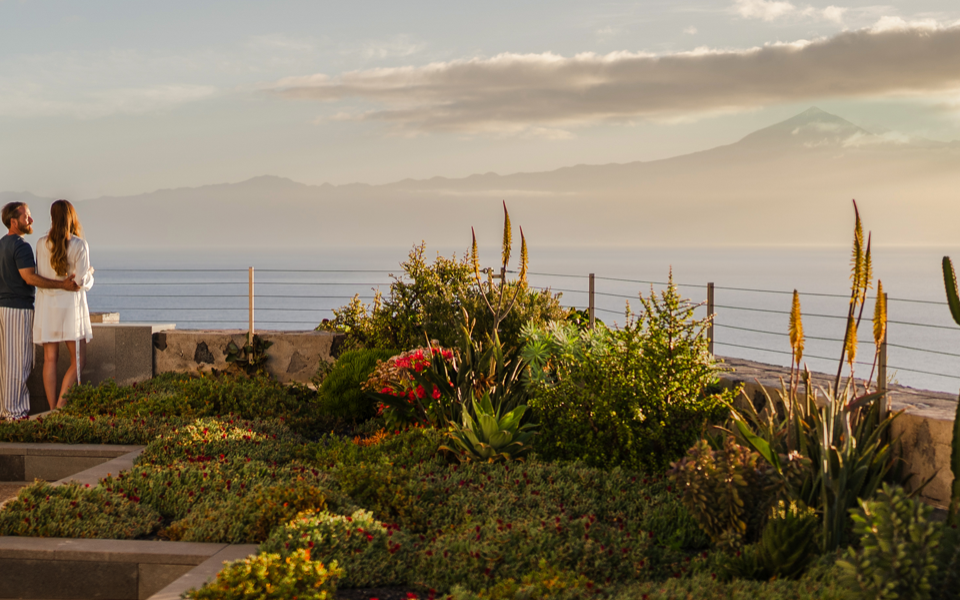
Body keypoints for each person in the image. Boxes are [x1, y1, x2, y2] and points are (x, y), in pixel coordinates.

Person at [0, 202, 80, 420]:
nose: (31, 220)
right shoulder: (21, 246)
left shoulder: (2, 244)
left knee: (6, 363)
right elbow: (30, 278)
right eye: (26, 217)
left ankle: (6, 410)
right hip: (18, 309)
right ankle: (15, 413)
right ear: (13, 221)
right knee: (19, 362)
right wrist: (62, 285)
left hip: (3, 308)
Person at [34, 200, 94, 410]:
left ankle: (52, 409)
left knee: (50, 359)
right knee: (78, 361)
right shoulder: (79, 245)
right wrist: (90, 274)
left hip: (47, 307)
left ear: (52, 217)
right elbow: (80, 282)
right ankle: (60, 407)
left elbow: (41, 275)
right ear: (72, 217)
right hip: (70, 308)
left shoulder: (41, 244)